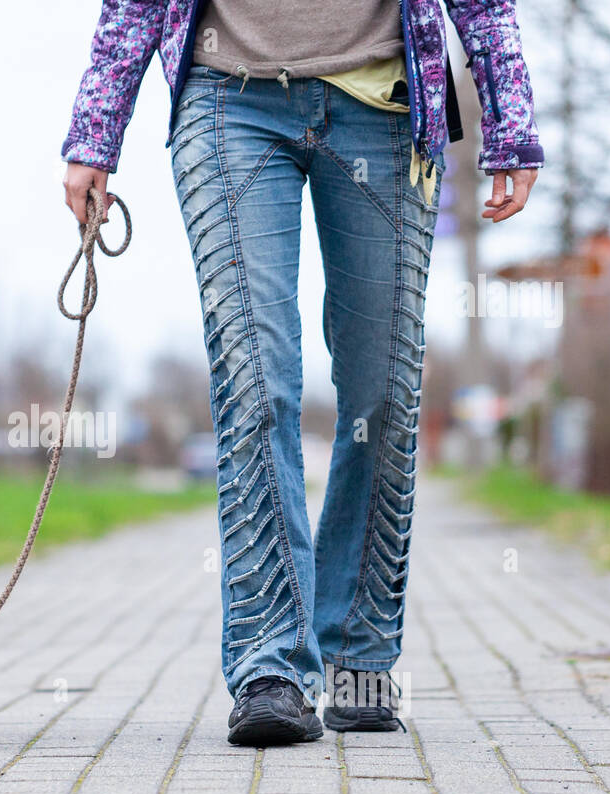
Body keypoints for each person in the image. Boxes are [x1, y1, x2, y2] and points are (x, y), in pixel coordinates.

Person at [61, 1, 541, 745]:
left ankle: (358, 657)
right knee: (255, 383)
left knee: (384, 394)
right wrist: (96, 131)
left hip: (383, 105)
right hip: (229, 100)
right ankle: (270, 669)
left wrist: (511, 122)